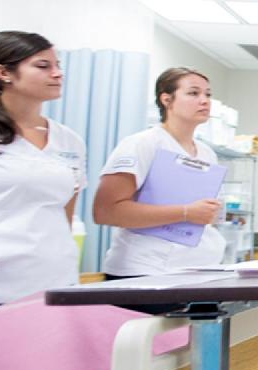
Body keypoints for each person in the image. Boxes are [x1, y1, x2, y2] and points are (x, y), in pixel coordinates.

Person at [0, 31, 84, 314]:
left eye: (58, 65)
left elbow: (63, 215)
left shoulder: (69, 141)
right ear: (3, 72)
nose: (57, 74)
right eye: (43, 66)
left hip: (54, 284)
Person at [93, 67, 225, 283]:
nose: (205, 101)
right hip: (145, 271)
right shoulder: (142, 144)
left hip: (195, 270)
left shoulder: (206, 153)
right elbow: (106, 211)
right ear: (166, 99)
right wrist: (185, 212)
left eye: (207, 94)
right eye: (193, 93)